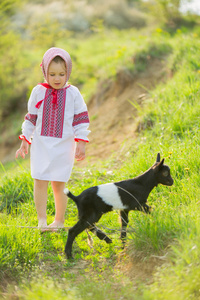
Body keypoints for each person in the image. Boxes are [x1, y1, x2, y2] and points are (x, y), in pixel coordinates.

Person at [16, 47, 90, 231]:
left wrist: (81, 142)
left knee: (59, 183)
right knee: (40, 180)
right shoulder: (38, 92)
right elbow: (31, 118)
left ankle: (59, 221)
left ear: (68, 73)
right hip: (41, 144)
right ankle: (42, 219)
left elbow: (81, 119)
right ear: (45, 73)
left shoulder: (73, 93)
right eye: (52, 74)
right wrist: (25, 139)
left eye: (61, 74)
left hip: (64, 145)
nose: (57, 78)